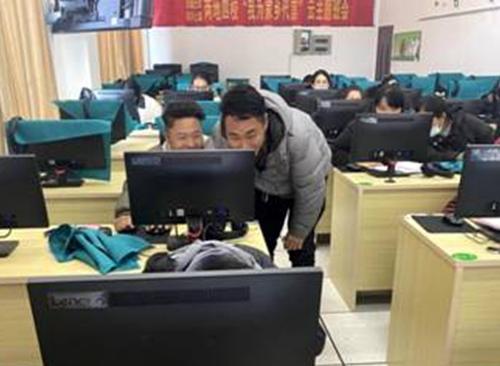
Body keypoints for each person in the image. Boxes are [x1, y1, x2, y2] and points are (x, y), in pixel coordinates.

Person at [214, 85, 331, 267]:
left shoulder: (298, 136)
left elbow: (310, 190)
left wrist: (298, 231)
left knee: (300, 247)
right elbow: (218, 177)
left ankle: (302, 283)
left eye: (251, 135)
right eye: (234, 137)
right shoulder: (220, 134)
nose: (244, 146)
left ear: (265, 123)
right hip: (265, 184)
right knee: (263, 242)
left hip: (309, 183)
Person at [114, 101, 214, 231]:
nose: (191, 144)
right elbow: (129, 199)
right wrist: (125, 215)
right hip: (162, 233)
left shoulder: (215, 157)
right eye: (182, 137)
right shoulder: (148, 161)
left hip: (207, 231)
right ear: (167, 136)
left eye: (196, 136)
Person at [331, 86, 406, 167]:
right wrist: (356, 163)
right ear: (375, 107)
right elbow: (336, 151)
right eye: (382, 109)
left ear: (401, 109)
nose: (388, 114)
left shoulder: (408, 127)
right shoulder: (359, 125)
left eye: (394, 110)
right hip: (361, 171)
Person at [420, 96, 495, 161]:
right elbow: (423, 152)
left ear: (442, 116)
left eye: (427, 119)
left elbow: (492, 154)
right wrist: (455, 156)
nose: (423, 123)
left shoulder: (475, 127)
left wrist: (468, 156)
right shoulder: (419, 128)